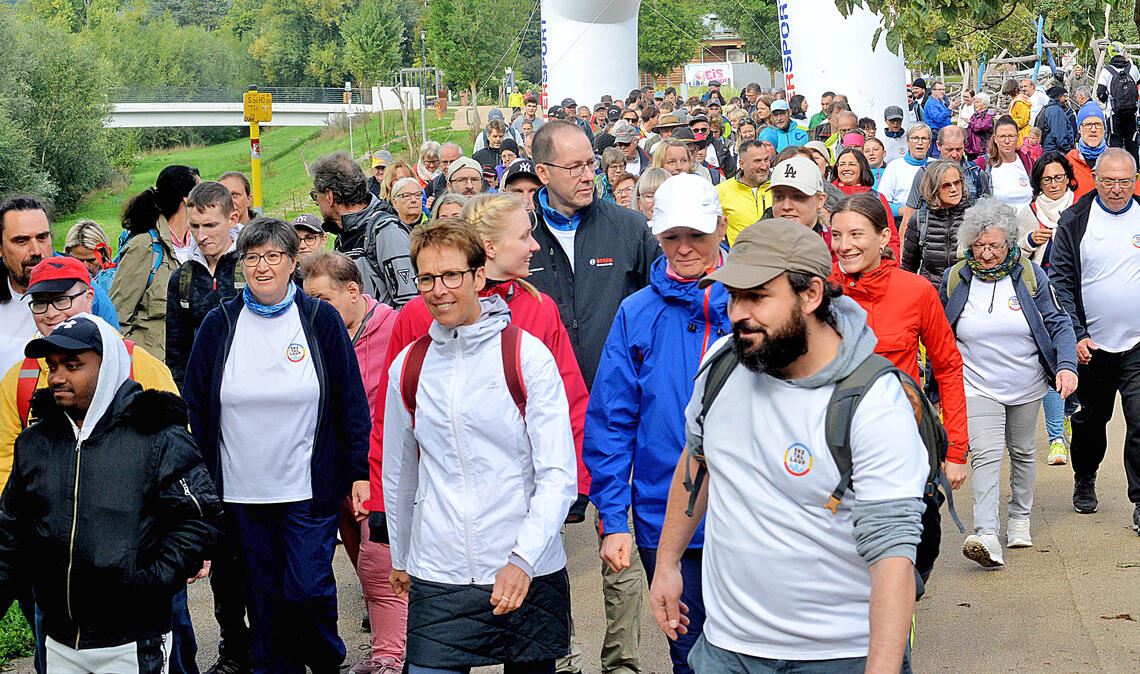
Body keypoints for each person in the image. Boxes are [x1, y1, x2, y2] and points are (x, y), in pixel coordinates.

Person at [650, 217, 927, 673]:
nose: (739, 312)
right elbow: (697, 460)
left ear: (812, 295)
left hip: (838, 655)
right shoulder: (722, 364)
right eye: (735, 296)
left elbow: (893, 556)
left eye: (758, 297)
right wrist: (667, 562)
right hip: (726, 649)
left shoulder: (873, 401)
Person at [368, 195, 592, 670]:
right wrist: (402, 556)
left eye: (451, 275)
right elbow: (399, 470)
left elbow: (556, 472)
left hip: (523, 567)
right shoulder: (411, 366)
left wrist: (524, 559)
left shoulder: (526, 355)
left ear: (477, 275)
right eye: (426, 278)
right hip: (439, 569)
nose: (438, 290)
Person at [183, 218, 372, 674]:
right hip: (242, 496)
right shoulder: (219, 324)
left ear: (292, 263)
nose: (262, 266)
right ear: (240, 264)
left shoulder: (319, 319)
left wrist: (358, 471)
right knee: (263, 600)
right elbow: (197, 408)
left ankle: (326, 661)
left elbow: (350, 398)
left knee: (307, 589)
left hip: (308, 489)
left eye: (272, 256)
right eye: (252, 257)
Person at [0, 314, 219, 673]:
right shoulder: (35, 444)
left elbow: (200, 519)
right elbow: (9, 535)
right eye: (53, 366)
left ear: (110, 366)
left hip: (132, 642)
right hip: (58, 640)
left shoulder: (158, 437)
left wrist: (149, 582)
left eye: (73, 365)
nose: (57, 377)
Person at [585, 174, 730, 674]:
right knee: (689, 656)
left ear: (721, 226)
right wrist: (614, 518)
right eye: (671, 237)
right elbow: (610, 423)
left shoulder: (756, 302)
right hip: (662, 521)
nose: (684, 248)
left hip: (750, 518)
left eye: (696, 235)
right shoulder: (636, 312)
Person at [528, 121, 658, 673]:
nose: (590, 174)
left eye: (592, 163)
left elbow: (662, 300)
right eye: (574, 166)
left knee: (616, 530)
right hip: (539, 414)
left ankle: (621, 659)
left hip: (615, 412)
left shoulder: (627, 228)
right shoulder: (518, 235)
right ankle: (555, 648)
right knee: (542, 537)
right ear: (542, 173)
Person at [941, 198, 1078, 566]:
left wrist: (1066, 365)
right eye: (979, 246)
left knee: (1022, 451)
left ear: (1011, 244)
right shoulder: (955, 278)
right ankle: (986, 534)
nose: (986, 254)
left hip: (1025, 382)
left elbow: (1059, 322)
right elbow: (938, 331)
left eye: (995, 246)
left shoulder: (1031, 276)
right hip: (976, 383)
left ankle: (1019, 518)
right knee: (985, 454)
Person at [300, 251, 402, 674]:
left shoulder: (394, 327)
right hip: (335, 469)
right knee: (362, 561)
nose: (312, 308)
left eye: (322, 298)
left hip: (384, 466)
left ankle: (389, 658)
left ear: (353, 291)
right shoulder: (312, 334)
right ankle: (392, 645)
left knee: (377, 563)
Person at [830, 191, 969, 499]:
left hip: (901, 443)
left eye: (856, 234)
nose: (844, 245)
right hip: (832, 445)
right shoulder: (821, 291)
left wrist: (957, 449)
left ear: (884, 236)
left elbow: (947, 366)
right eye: (837, 235)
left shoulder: (916, 291)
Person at [1048, 148, 1140, 530]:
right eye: (1108, 181)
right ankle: (1085, 477)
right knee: (1090, 424)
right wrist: (1077, 335)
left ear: (1134, 181)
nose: (1116, 189)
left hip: (1137, 345)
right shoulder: (1074, 220)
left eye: (1124, 181)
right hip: (1093, 348)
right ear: (1095, 179)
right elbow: (1060, 282)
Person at [1, 199, 120, 374]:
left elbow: (117, 356)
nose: (36, 250)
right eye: (21, 241)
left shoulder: (83, 289)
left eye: (42, 237)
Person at [1017, 151, 1079, 466]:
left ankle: (1070, 412)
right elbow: (1011, 253)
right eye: (1046, 179)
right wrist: (1029, 240)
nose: (1053, 184)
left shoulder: (1082, 209)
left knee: (1076, 362)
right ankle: (1056, 438)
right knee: (1052, 361)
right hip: (1042, 296)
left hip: (1078, 297)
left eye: (1058, 177)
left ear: (1068, 177)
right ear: (1038, 182)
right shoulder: (1028, 212)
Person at [110, 165, 201, 360]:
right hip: (153, 370)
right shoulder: (145, 247)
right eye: (200, 192)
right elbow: (117, 318)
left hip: (191, 367)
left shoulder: (201, 246)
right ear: (188, 199)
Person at [311, 152, 417, 308]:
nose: (317, 203)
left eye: (315, 196)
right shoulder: (343, 235)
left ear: (329, 195)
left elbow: (409, 303)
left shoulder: (386, 231)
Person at [165, 181, 243, 387]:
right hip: (200, 390)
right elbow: (175, 350)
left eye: (210, 225)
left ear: (232, 219)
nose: (201, 236)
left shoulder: (252, 268)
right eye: (194, 226)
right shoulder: (182, 277)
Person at [901, 125, 991, 228]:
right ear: (938, 146)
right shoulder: (924, 174)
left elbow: (988, 214)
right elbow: (909, 215)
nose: (954, 154)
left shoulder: (977, 175)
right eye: (949, 149)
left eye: (958, 149)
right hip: (932, 239)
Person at [901, 159, 970, 286]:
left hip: (965, 292)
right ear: (934, 188)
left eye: (957, 182)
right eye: (946, 185)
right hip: (932, 293)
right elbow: (908, 268)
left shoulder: (974, 216)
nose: (954, 189)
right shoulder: (920, 219)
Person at [829, 147, 902, 258]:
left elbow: (891, 238)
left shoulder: (876, 197)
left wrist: (891, 266)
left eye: (852, 164)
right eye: (842, 164)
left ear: (862, 168)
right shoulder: (826, 196)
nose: (846, 168)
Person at [1063, 102, 1140, 199]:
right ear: (1079, 129)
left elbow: (1136, 192)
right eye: (1088, 125)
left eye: (1098, 124)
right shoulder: (1068, 161)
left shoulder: (1119, 160)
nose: (1093, 129)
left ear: (1104, 129)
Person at [716, 140, 773, 246]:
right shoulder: (721, 191)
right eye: (757, 161)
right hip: (739, 260)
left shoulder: (779, 187)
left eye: (766, 159)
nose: (764, 166)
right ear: (742, 164)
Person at [979, 115, 1035, 210]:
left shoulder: (1028, 162)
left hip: (1029, 221)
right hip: (1000, 222)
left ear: (1017, 137)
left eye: (1011, 136)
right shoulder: (984, 164)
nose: (1007, 141)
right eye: (1002, 137)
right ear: (995, 139)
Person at [877, 123, 932, 216]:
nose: (919, 142)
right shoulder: (894, 166)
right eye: (915, 138)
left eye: (924, 139)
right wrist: (903, 211)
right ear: (907, 141)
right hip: (902, 220)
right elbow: (882, 201)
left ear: (929, 143)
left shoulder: (936, 165)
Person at [1096, 51, 1140, 159]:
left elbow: (1100, 93)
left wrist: (1107, 101)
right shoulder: (1132, 68)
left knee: (1115, 142)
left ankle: (1116, 169)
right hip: (1132, 112)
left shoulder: (1106, 71)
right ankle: (1135, 171)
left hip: (1113, 113)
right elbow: (1138, 85)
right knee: (1132, 142)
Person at [924, 81, 958, 158]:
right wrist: (949, 108)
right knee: (938, 158)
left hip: (943, 133)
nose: (942, 92)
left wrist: (950, 112)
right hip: (936, 134)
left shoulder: (939, 101)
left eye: (943, 89)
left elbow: (944, 116)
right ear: (933, 90)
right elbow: (938, 119)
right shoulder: (931, 103)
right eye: (939, 89)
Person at [424, 143, 464, 209]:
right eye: (445, 162)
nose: (448, 166)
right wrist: (429, 209)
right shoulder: (432, 186)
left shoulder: (475, 181)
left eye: (452, 162)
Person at [1037, 86, 1075, 153]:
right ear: (1059, 96)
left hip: (1050, 147)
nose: (1066, 99)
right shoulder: (1056, 110)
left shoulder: (1049, 108)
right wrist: (1067, 148)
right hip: (1055, 150)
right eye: (1065, 96)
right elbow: (1059, 133)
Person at [966, 92, 995, 161]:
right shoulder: (974, 115)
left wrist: (971, 122)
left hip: (982, 150)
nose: (975, 104)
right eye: (975, 102)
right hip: (972, 150)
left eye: (977, 102)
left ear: (984, 104)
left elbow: (980, 127)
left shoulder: (988, 116)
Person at [1002, 79, 1033, 144]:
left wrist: (1009, 122)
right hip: (1016, 131)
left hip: (1022, 134)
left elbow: (1022, 121)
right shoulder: (1015, 101)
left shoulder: (1019, 102)